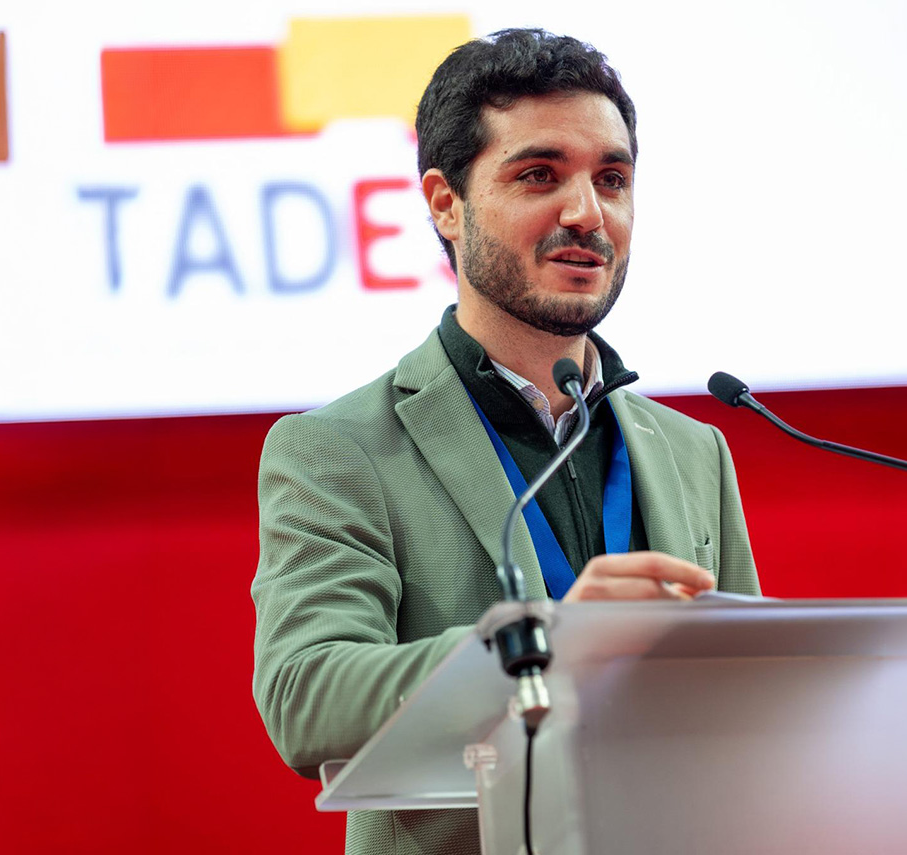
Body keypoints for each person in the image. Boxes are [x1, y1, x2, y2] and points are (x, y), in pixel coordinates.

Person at [252, 28, 760, 855]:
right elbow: (306, 698)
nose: (587, 213)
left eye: (612, 179)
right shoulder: (338, 449)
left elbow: (755, 700)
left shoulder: (695, 449)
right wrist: (548, 643)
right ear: (444, 204)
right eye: (539, 175)